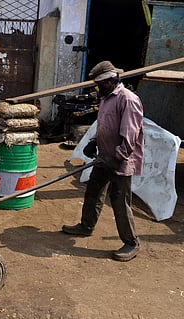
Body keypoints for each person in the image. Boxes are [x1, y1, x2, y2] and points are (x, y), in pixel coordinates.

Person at [62, 60, 144, 262]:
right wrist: (92, 142)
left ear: (112, 79)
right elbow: (103, 125)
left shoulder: (128, 100)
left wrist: (117, 158)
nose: (98, 88)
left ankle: (131, 243)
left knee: (119, 201)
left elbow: (130, 136)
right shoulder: (107, 98)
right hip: (104, 156)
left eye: (101, 84)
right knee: (93, 191)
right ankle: (86, 226)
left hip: (120, 160)